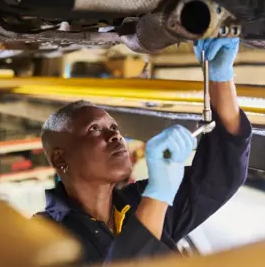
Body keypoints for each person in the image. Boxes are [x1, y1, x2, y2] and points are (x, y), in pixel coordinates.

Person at [34, 38, 252, 264]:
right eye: (94, 129)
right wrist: (158, 196)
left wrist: (220, 77)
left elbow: (219, 177)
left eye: (114, 128)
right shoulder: (41, 236)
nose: (115, 136)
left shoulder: (136, 202)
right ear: (60, 158)